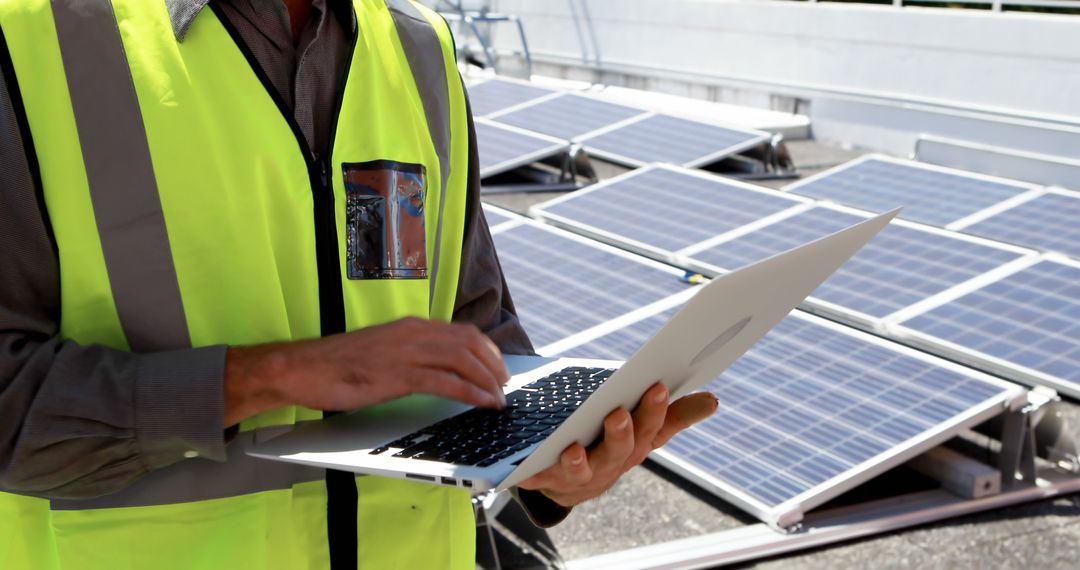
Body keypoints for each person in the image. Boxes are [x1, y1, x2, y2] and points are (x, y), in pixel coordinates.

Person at [0, 0, 718, 568]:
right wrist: (274, 377)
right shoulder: (32, 38)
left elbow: (477, 327)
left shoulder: (420, 48)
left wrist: (548, 461)